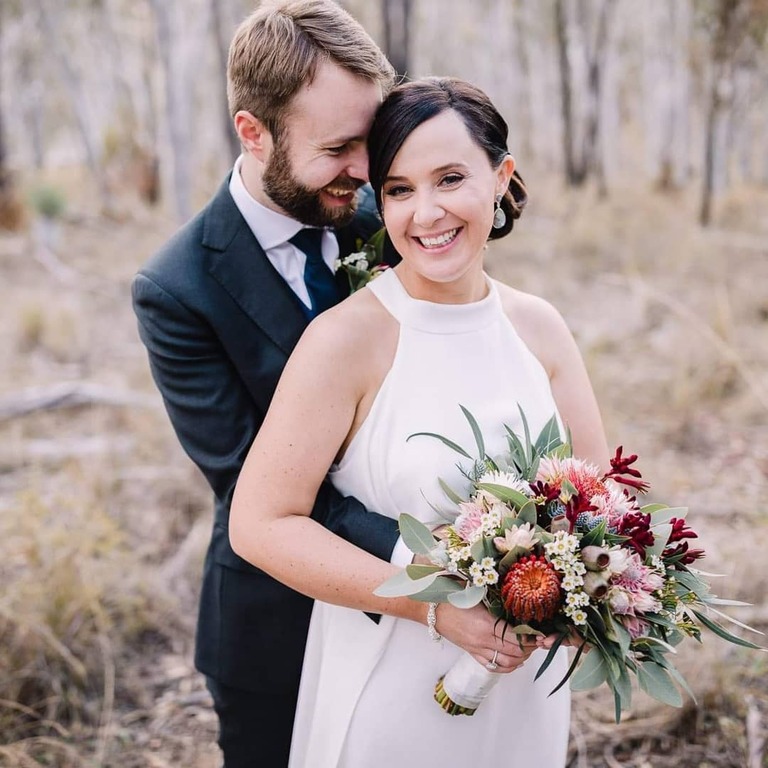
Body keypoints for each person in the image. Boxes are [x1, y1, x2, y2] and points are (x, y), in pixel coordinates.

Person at [132, 3, 514, 766]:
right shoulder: (177, 289)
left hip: (431, 635)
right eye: (338, 148)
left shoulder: (388, 211)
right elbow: (255, 484)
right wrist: (437, 562)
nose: (366, 172)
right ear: (254, 133)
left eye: (368, 144)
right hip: (280, 622)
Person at [230, 76, 611, 767]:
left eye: (450, 178)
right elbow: (259, 524)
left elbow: (604, 499)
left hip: (521, 693)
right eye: (399, 189)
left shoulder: (539, 327)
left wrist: (589, 593)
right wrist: (433, 606)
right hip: (389, 686)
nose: (426, 212)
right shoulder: (346, 340)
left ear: (501, 178)